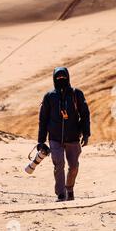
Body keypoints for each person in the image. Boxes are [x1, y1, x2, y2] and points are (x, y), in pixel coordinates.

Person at [37, 67, 91, 202]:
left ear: (68, 77)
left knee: (73, 166)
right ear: (54, 78)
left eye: (63, 77)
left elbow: (85, 114)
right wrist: (41, 140)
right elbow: (43, 119)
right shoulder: (49, 97)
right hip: (55, 138)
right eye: (58, 77)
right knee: (58, 165)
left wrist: (86, 133)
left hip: (73, 138)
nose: (61, 79)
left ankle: (69, 188)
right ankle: (61, 194)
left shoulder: (76, 94)